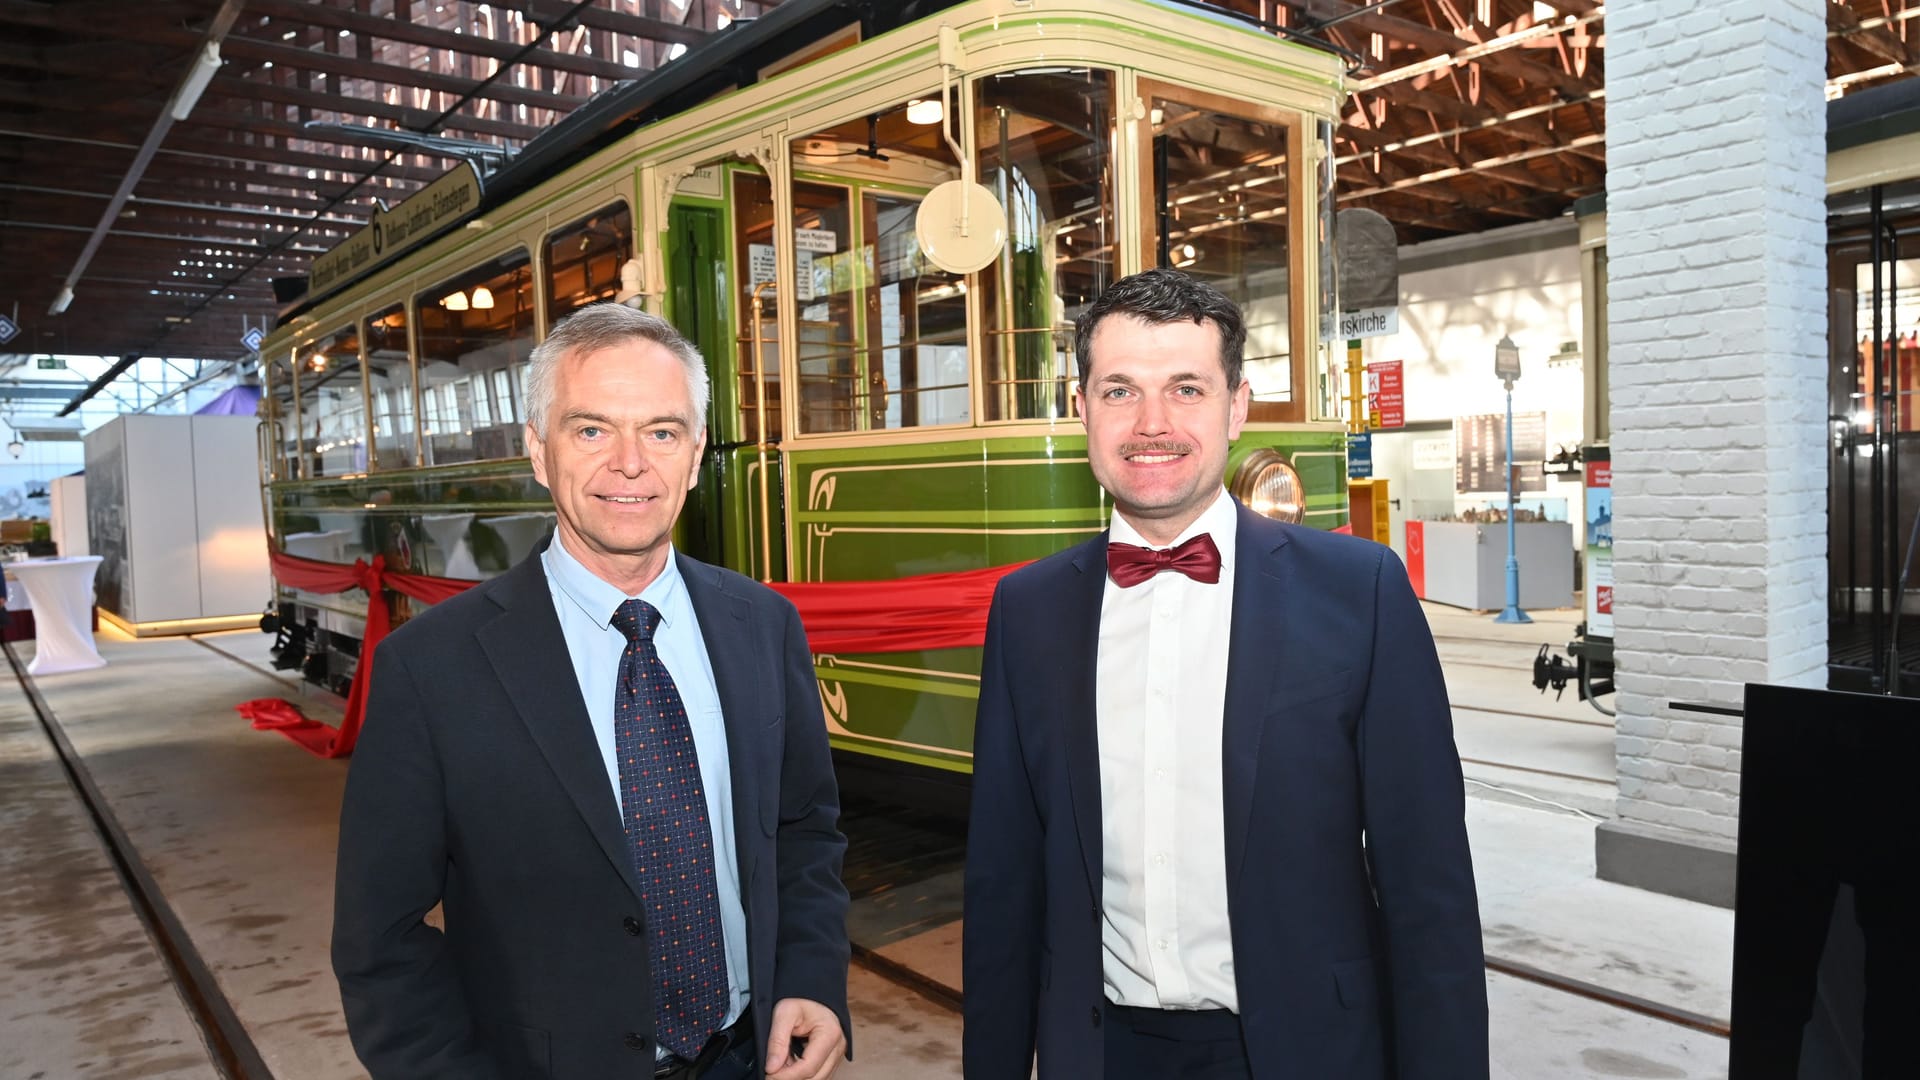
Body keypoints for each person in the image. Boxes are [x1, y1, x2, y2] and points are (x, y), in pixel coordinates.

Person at [962, 268, 1487, 1079]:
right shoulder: (1027, 610)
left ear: (1237, 406)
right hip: (1101, 1054)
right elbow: (1004, 880)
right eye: (1119, 392)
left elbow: (1429, 887)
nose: (1153, 424)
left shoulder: (1362, 591)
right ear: (1081, 412)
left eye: (1186, 389)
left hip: (1305, 1050)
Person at [333, 302, 851, 1080]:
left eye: (662, 431)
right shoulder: (430, 669)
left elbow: (805, 831)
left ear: (698, 450)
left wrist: (813, 981)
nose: (631, 464)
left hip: (751, 1060)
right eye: (591, 430)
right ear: (538, 452)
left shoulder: (763, 625)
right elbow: (381, 940)